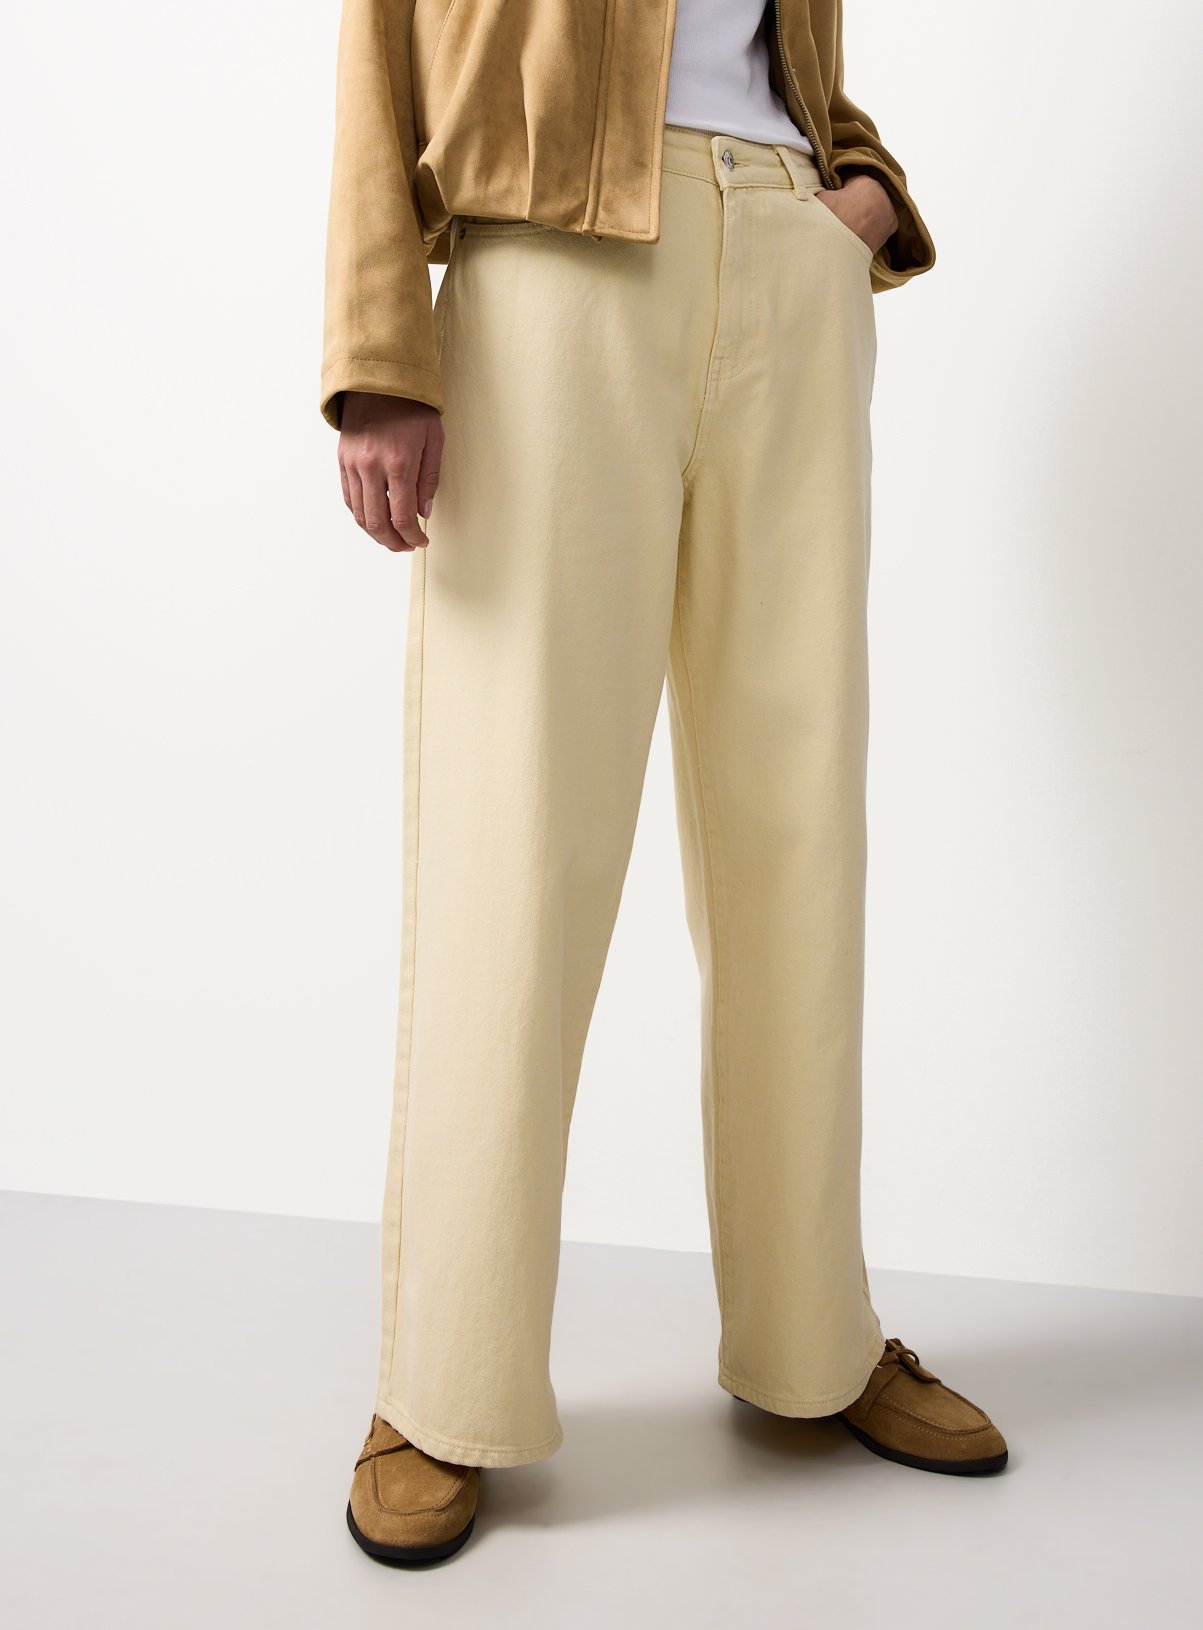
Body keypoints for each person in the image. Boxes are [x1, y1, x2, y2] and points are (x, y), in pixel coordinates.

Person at [320, 0, 1008, 1567]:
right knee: (517, 848)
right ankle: (443, 1383)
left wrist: (856, 198)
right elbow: (377, 46)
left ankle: (814, 1340)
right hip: (552, 269)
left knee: (798, 837)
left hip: (786, 258)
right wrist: (377, 345)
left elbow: (783, 52)